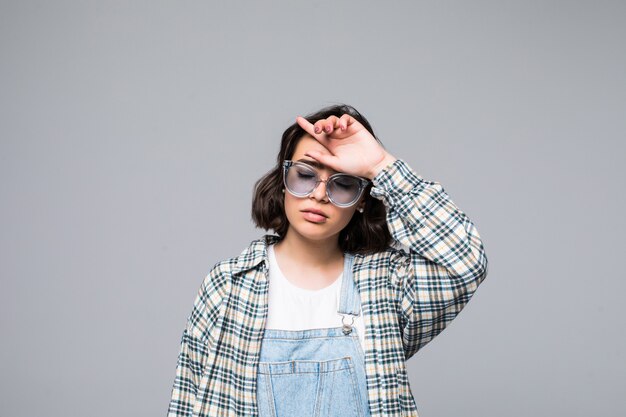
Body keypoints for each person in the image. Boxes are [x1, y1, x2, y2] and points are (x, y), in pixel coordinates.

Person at [167, 104, 489, 417]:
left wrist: (379, 164)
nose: (319, 194)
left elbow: (465, 262)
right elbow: (186, 402)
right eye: (305, 175)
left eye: (344, 183)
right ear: (283, 182)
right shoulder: (229, 287)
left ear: (362, 199)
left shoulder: (385, 286)